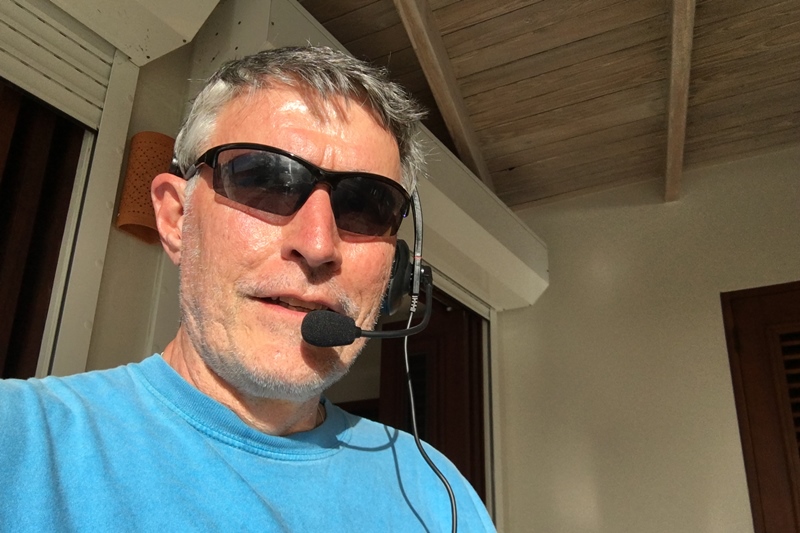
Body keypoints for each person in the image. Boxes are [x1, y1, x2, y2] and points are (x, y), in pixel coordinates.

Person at [0, 46, 495, 531]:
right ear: (175, 219)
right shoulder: (20, 438)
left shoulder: (438, 496)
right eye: (266, 181)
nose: (318, 244)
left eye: (366, 205)